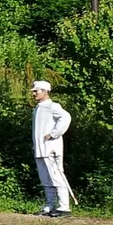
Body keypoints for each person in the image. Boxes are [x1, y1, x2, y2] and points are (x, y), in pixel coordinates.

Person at [31, 80, 72, 217]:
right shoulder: (38, 108)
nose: (34, 93)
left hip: (51, 149)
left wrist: (54, 134)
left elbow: (66, 117)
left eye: (36, 91)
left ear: (45, 91)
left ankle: (64, 207)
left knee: (57, 177)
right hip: (40, 149)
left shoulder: (52, 106)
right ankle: (50, 205)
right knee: (46, 179)